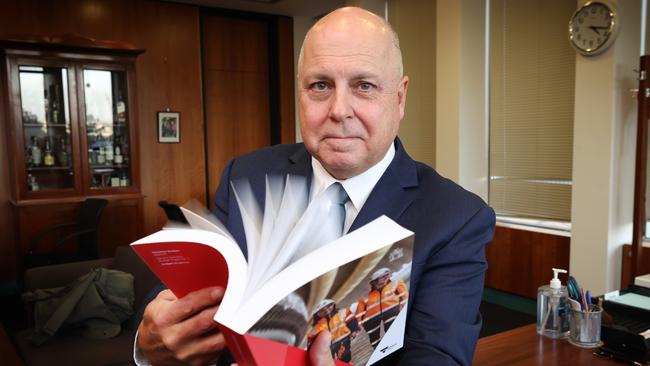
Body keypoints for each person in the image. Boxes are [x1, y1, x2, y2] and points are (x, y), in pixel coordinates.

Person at [135, 6, 495, 366]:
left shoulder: (456, 217)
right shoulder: (246, 175)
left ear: (399, 98)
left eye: (364, 86)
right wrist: (149, 340)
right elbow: (184, 288)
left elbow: (436, 357)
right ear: (300, 94)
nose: (339, 109)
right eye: (320, 85)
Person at [355, 268, 408, 348]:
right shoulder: (366, 296)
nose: (386, 277)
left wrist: (405, 309)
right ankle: (380, 351)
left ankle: (397, 344)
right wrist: (359, 324)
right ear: (375, 281)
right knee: (374, 340)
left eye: (387, 275)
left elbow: (405, 297)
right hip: (371, 319)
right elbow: (359, 313)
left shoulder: (395, 284)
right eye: (382, 277)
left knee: (391, 330)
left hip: (391, 312)